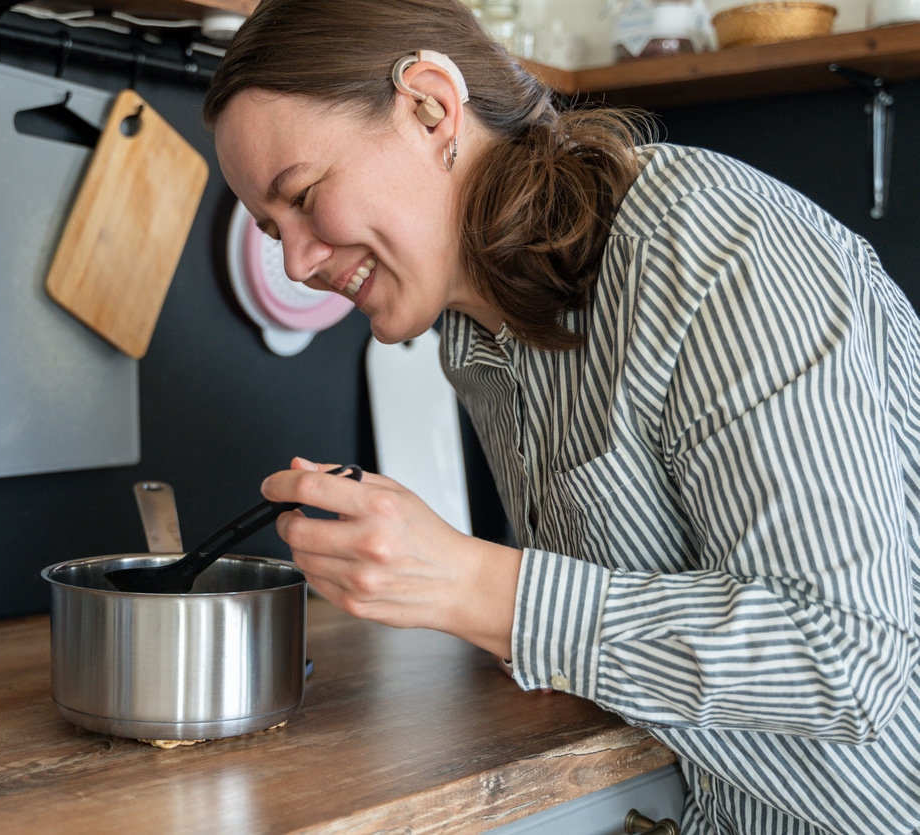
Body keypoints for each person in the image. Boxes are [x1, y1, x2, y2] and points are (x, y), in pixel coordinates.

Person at [202, 0, 920, 832]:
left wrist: (471, 584)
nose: (294, 263)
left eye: (304, 195)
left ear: (431, 105)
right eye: (269, 228)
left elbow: (844, 656)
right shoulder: (472, 342)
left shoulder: (711, 244)